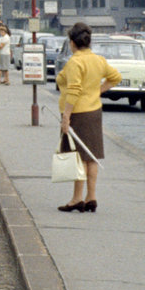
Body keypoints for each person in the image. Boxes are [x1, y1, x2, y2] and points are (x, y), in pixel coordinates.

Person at [56, 21, 121, 213]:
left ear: (72, 42)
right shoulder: (98, 60)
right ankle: (91, 196)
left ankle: (77, 199)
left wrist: (66, 117)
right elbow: (115, 77)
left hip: (78, 114)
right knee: (91, 156)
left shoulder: (75, 62)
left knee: (78, 157)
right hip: (94, 112)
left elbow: (74, 90)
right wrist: (97, 91)